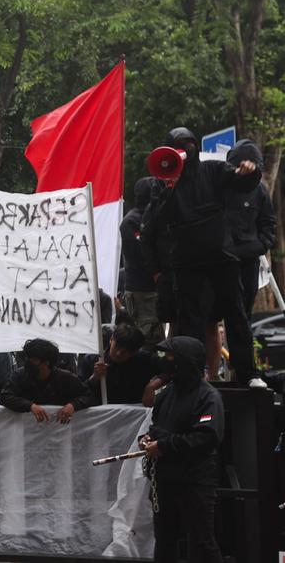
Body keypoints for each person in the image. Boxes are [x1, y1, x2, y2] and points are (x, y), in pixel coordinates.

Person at [139, 127, 263, 386]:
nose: (186, 149)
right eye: (179, 145)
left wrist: (249, 172)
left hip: (222, 256)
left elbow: (241, 183)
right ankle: (190, 375)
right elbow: (154, 222)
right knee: (189, 323)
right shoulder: (162, 184)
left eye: (188, 144)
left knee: (236, 315)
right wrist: (168, 189)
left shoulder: (213, 170)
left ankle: (248, 374)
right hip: (187, 264)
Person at [138, 336, 224, 562]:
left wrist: (164, 445)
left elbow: (205, 437)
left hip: (195, 480)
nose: (165, 361)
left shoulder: (208, 397)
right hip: (165, 478)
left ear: (184, 361)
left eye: (170, 356)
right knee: (164, 541)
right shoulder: (166, 393)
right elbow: (157, 427)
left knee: (202, 542)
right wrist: (147, 439)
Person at [224, 139, 276, 317]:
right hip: (223, 262)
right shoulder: (221, 187)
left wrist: (258, 246)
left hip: (249, 263)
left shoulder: (260, 191)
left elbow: (268, 225)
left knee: (244, 315)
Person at [0, 338, 96, 423]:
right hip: (29, 431)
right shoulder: (20, 375)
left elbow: (89, 396)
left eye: (33, 360)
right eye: (28, 358)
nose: (29, 362)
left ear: (46, 363)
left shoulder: (66, 378)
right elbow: (5, 396)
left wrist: (73, 405)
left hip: (60, 430)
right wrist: (30, 406)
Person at [123, 177, 164, 345]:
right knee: (148, 336)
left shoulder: (153, 215)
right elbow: (142, 252)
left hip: (155, 287)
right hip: (142, 289)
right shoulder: (132, 221)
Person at [86, 325, 158, 405]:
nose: (119, 353)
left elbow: (170, 368)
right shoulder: (91, 359)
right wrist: (94, 377)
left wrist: (152, 386)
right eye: (117, 346)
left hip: (134, 413)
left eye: (126, 351)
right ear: (111, 339)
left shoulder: (144, 360)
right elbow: (80, 392)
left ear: (135, 351)